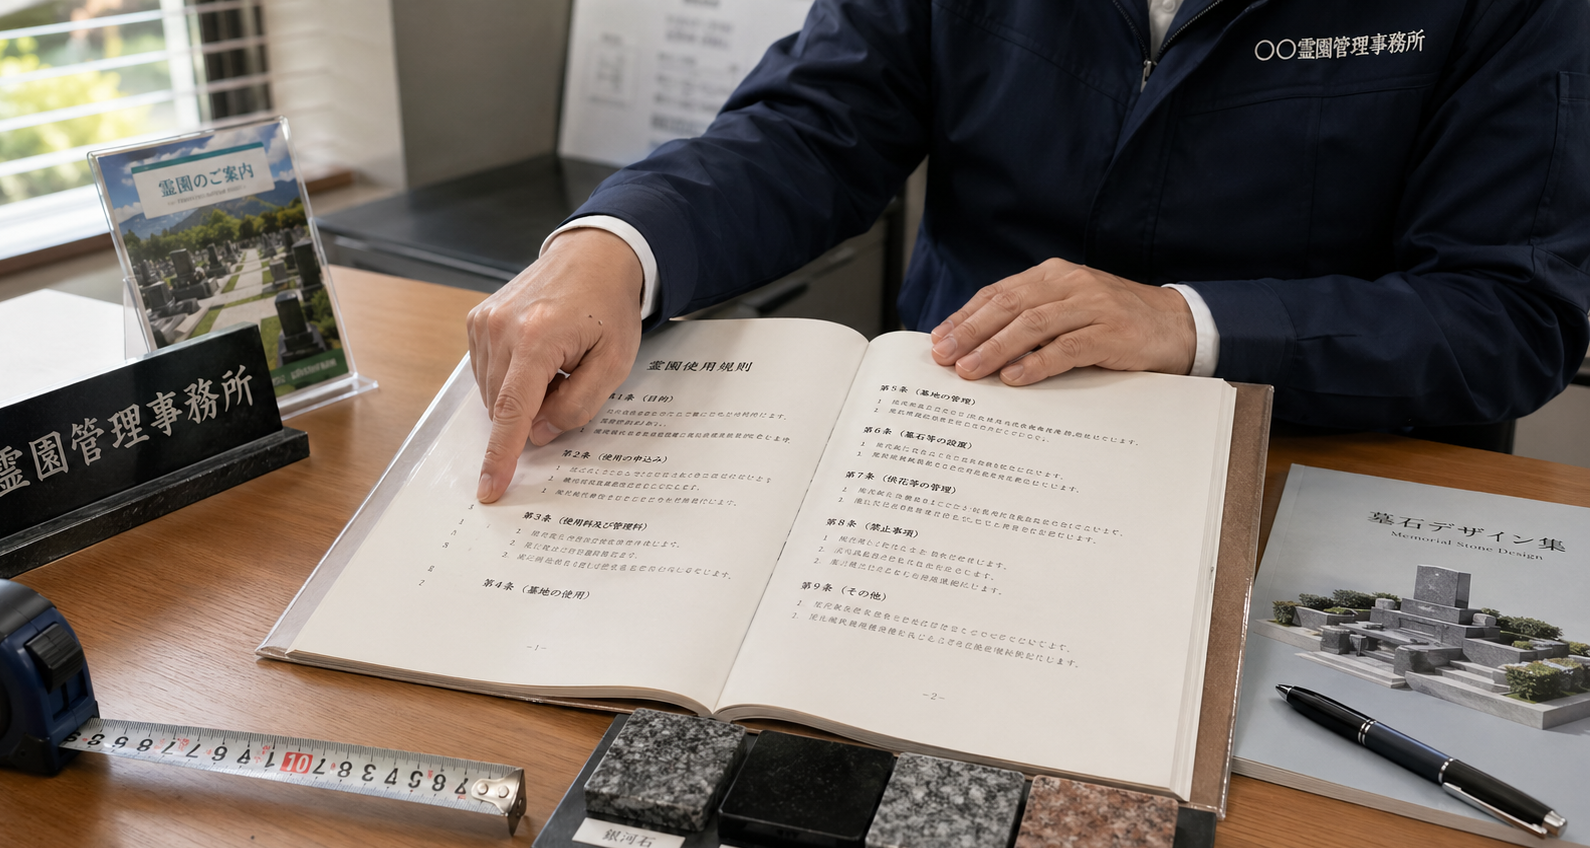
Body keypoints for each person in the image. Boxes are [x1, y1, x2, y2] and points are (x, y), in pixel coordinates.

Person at [467, 0, 1590, 504]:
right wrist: (618, 242)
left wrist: (1188, 321)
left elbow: (1508, 310)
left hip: (1304, 476)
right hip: (952, 445)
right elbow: (814, 128)